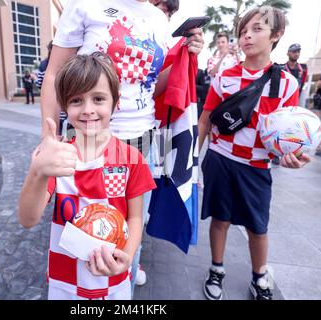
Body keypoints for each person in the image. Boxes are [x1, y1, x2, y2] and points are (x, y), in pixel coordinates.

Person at [39, 0, 204, 295]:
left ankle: (119, 290)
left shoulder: (157, 18)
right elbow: (54, 74)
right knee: (78, 227)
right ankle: (73, 289)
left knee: (128, 229)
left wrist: (185, 56)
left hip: (141, 141)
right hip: (89, 138)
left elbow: (150, 84)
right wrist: (48, 138)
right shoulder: (85, 6)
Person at [18, 53, 156, 300]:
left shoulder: (132, 158)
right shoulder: (58, 156)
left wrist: (127, 257)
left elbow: (135, 217)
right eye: (76, 100)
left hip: (112, 279)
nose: (88, 109)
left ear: (116, 102)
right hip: (65, 282)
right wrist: (37, 171)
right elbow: (28, 219)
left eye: (99, 98)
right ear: (64, 105)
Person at [197, 6, 311, 300]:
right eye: (244, 31)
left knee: (257, 226)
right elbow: (206, 118)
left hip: (258, 167)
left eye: (257, 29)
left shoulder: (286, 83)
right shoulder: (225, 76)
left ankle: (259, 276)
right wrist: (193, 159)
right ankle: (216, 269)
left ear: (277, 35)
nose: (247, 36)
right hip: (220, 159)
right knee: (220, 220)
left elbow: (289, 134)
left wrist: (293, 157)